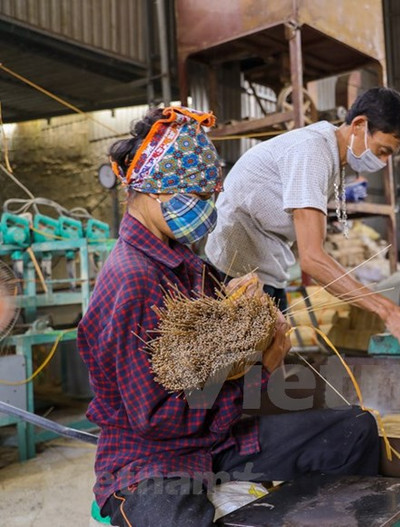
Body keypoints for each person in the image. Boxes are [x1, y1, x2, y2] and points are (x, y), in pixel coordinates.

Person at [78, 107, 380, 526]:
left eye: (209, 197)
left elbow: (214, 347)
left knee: (353, 432)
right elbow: (158, 421)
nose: (206, 210)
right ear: (150, 190)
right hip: (151, 459)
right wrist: (260, 371)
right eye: (196, 198)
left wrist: (245, 311)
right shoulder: (131, 280)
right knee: (179, 518)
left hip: (214, 439)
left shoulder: (182, 261)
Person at [205, 87, 400, 361]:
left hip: (263, 270)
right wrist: (388, 310)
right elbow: (313, 260)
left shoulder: (330, 155)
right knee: (242, 376)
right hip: (232, 276)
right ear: (360, 125)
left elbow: (316, 249)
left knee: (266, 370)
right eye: (382, 151)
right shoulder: (312, 151)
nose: (384, 162)